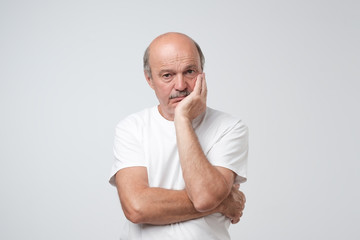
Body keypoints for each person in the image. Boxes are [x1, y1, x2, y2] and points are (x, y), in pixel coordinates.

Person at [109, 32, 249, 240]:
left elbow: (204, 197)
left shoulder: (229, 127)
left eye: (190, 72)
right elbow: (137, 208)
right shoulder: (131, 128)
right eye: (167, 75)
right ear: (150, 79)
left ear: (202, 73)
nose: (181, 85)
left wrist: (182, 119)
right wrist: (223, 203)